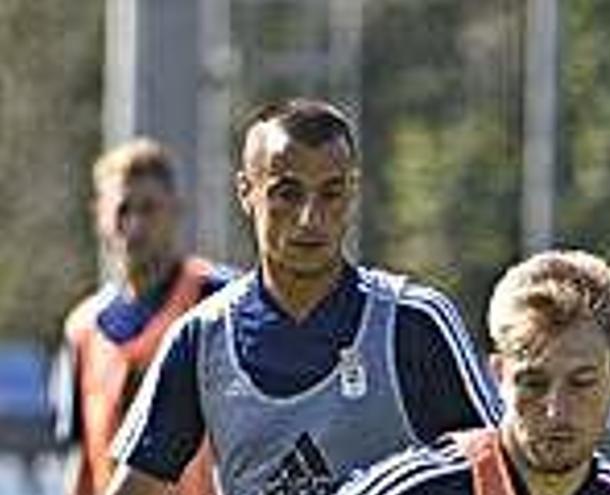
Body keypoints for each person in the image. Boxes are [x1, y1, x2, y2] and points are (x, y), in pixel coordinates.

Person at [105, 98, 501, 495]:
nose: (310, 218)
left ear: (352, 192)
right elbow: (136, 485)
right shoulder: (201, 338)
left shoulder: (414, 321)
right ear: (246, 191)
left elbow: (498, 467)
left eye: (330, 193)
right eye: (287, 194)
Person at [337, 250, 610, 495]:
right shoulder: (412, 489)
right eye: (534, 383)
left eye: (581, 383)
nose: (556, 410)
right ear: (498, 376)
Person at [63, 138, 237, 495]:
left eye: (149, 209)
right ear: (99, 214)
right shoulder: (83, 328)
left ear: (175, 211)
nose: (136, 224)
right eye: (123, 209)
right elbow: (82, 458)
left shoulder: (218, 299)